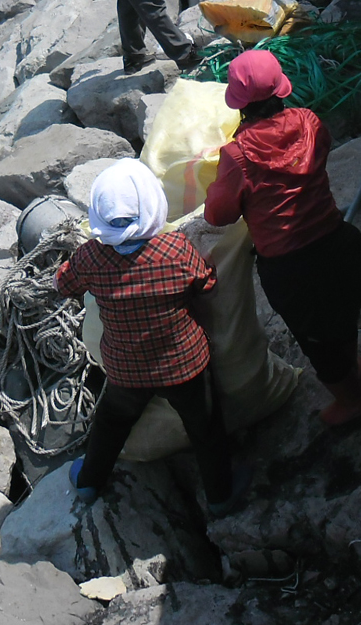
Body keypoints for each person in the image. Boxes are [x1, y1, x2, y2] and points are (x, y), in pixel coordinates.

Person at [54, 158, 244, 514]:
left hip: (126, 370)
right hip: (185, 365)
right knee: (205, 427)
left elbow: (63, 284)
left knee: (111, 423)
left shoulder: (90, 257)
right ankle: (221, 495)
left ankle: (88, 482)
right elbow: (207, 284)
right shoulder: (175, 249)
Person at [205, 51, 361, 426]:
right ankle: (353, 367)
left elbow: (218, 214)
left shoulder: (238, 155)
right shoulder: (310, 121)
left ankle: (354, 400)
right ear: (280, 89)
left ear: (239, 102)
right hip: (338, 243)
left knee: (318, 342)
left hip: (294, 269)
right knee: (343, 314)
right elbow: (320, 150)